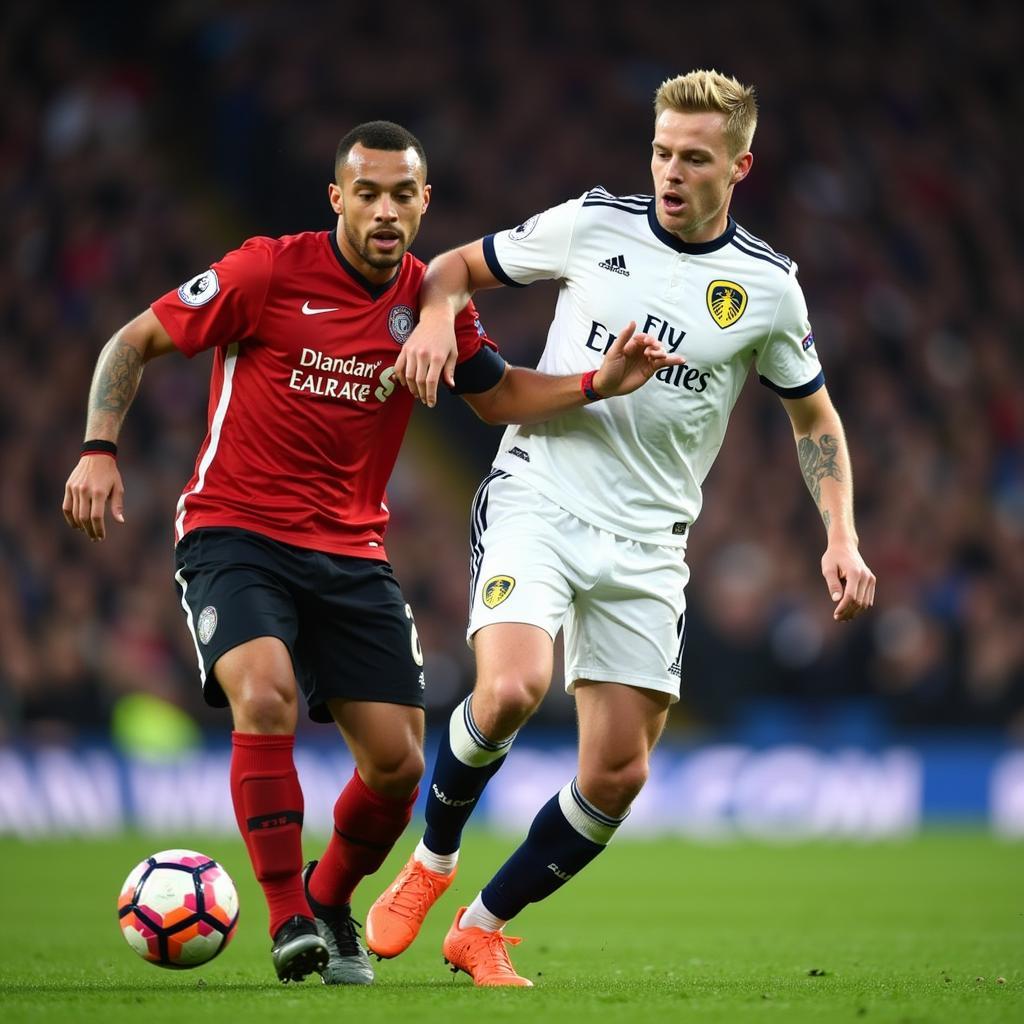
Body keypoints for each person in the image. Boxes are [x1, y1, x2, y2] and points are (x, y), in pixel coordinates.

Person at [61, 120, 677, 986]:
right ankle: (285, 921)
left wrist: (593, 385)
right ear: (336, 197)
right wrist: (98, 448)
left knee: (395, 767)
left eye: (402, 196)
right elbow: (133, 340)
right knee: (265, 693)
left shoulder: (434, 299)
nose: (385, 212)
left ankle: (328, 898)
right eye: (368, 193)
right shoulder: (265, 270)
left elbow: (495, 396)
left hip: (352, 553)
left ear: (424, 202)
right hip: (235, 531)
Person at [366, 71, 877, 986]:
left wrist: (840, 535)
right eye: (661, 152)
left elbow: (816, 421)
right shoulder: (593, 223)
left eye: (694, 158)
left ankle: (481, 926)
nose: (671, 172)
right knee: (516, 686)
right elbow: (452, 267)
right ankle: (430, 863)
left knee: (616, 775)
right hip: (543, 496)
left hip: (649, 545)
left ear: (740, 166)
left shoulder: (767, 290)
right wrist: (439, 315)